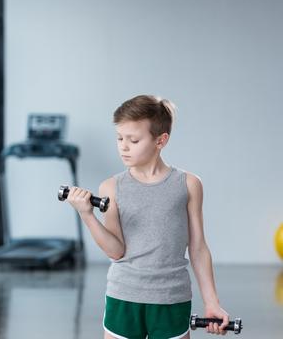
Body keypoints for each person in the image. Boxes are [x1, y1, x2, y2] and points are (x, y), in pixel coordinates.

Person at [65, 95, 230, 339]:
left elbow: (198, 248)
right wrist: (87, 214)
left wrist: (212, 302)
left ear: (160, 140)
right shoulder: (111, 187)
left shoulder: (188, 184)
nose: (123, 146)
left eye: (133, 140)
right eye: (119, 138)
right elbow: (115, 251)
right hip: (124, 296)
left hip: (171, 298)